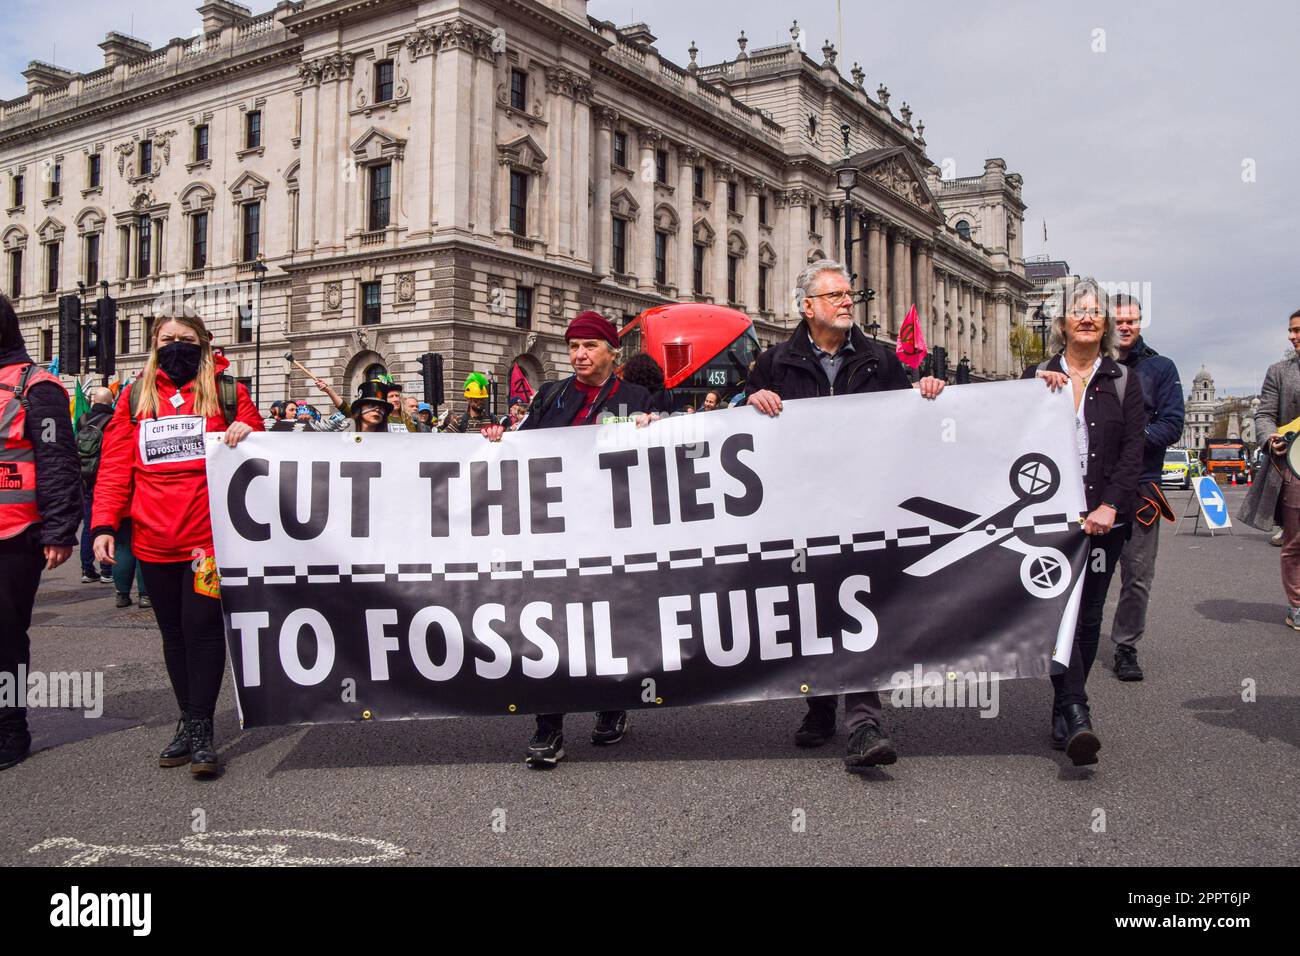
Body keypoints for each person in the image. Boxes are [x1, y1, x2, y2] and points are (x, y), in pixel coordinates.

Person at [746, 259, 946, 772]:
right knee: (813, 610)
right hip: (803, 510)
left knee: (861, 610)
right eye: (834, 295)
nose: (846, 301)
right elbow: (748, 433)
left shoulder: (880, 359)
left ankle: (864, 721)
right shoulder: (774, 362)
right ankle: (819, 708)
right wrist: (753, 399)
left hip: (865, 506)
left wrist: (926, 397)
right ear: (807, 306)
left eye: (848, 295)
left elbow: (906, 425)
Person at [91, 310, 263, 779]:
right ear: (153, 344)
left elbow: (263, 456)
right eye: (166, 339)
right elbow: (114, 469)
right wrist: (103, 524)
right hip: (151, 541)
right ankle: (187, 720)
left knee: (203, 630)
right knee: (174, 636)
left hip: (208, 543)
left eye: (185, 339)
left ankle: (203, 730)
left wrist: (249, 433)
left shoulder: (230, 393)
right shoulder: (133, 397)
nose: (175, 346)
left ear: (204, 343)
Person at [481, 311, 655, 768]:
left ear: (611, 352)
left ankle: (612, 705)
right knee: (551, 624)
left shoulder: (638, 398)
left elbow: (676, 452)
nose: (579, 354)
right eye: (573, 346)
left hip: (611, 530)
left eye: (589, 346)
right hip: (554, 531)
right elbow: (521, 451)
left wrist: (656, 428)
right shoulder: (550, 395)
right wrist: (497, 438)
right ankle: (549, 725)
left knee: (607, 621)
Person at [1024, 277, 1144, 766]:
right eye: (1079, 311)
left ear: (1106, 325)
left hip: (1103, 518)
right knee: (1056, 611)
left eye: (1096, 312)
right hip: (1052, 519)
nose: (1088, 317)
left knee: (1090, 611)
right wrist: (1035, 393)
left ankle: (1067, 703)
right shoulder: (1038, 376)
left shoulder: (1122, 380)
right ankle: (1075, 707)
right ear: (1063, 323)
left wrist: (1111, 505)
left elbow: (1133, 450)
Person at [0, 294, 80, 770]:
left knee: (6, 635)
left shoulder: (39, 386)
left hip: (15, 535)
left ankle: (11, 727)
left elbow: (57, 462)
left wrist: (59, 530)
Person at [1108, 293, 1183, 681]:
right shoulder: (1091, 364)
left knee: (1137, 575)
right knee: (1082, 572)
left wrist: (1130, 438)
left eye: (1132, 321)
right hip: (1094, 487)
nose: (1125, 326)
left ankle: (1125, 646)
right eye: (1118, 320)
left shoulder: (1161, 368)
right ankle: (1070, 640)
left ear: (1140, 324)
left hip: (1141, 486)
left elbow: (1173, 425)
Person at [1239, 308, 1300, 628]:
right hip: (1294, 467)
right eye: (1291, 330)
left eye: (1298, 330)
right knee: (1295, 541)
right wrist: (1269, 437)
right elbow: (1263, 415)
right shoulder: (1279, 372)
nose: (1292, 336)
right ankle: (1298, 605)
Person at [75, 386, 115, 585]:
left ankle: (87, 568)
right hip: (105, 476)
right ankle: (107, 570)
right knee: (105, 523)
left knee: (88, 521)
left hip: (84, 477)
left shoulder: (82, 419)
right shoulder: (113, 420)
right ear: (111, 402)